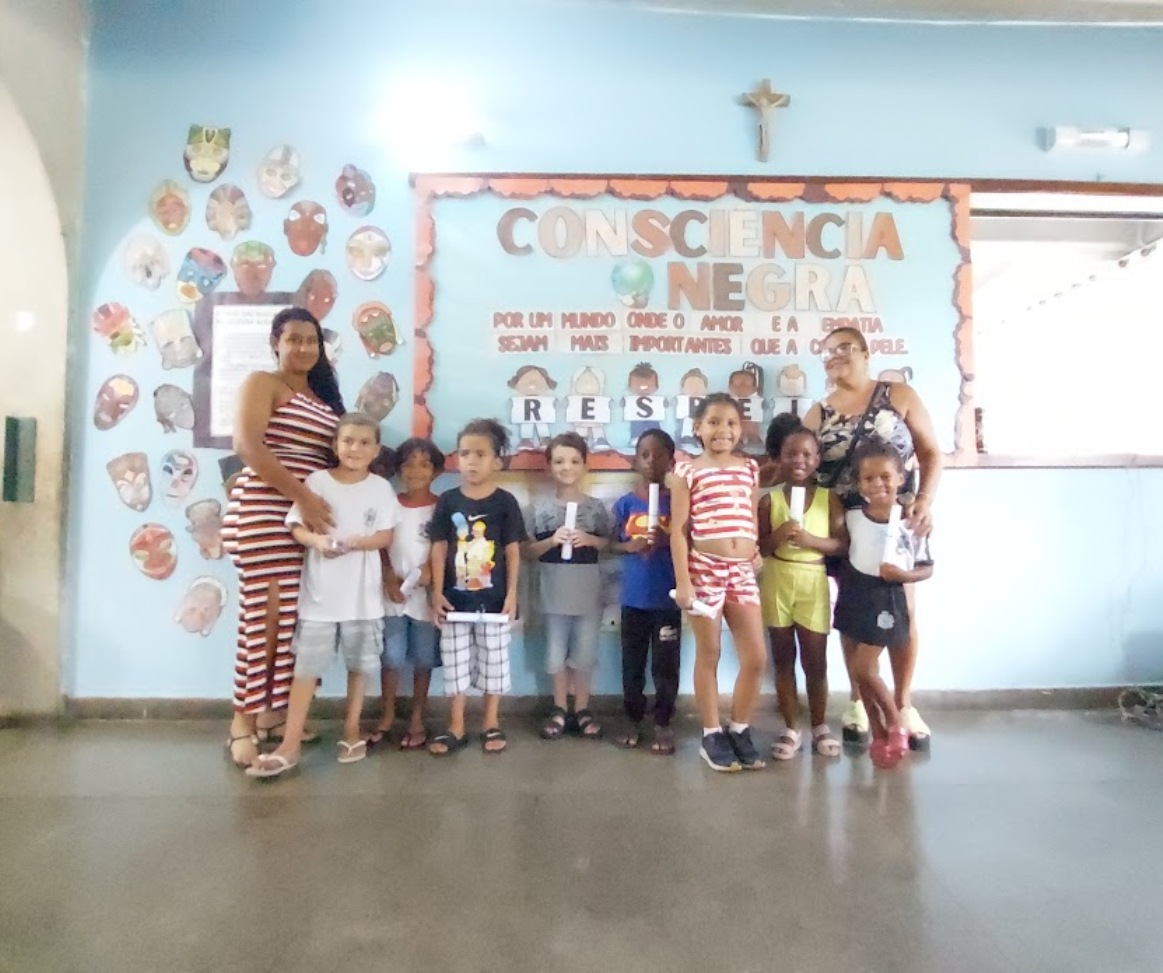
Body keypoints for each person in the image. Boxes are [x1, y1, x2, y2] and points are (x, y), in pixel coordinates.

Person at [803, 326, 942, 748]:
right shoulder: (819, 413)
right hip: (847, 526)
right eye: (827, 352)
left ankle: (903, 703)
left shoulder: (898, 395)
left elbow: (931, 452)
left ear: (866, 353)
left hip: (900, 520)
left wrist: (924, 501)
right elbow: (800, 466)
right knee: (854, 614)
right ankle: (859, 700)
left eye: (844, 348)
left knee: (903, 610)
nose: (835, 356)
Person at [221, 306, 345, 768]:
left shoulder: (322, 397)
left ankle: (272, 717)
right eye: (294, 339)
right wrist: (303, 497)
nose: (304, 348)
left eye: (312, 340)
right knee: (264, 622)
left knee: (293, 623)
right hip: (265, 513)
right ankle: (241, 723)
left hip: (302, 520)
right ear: (276, 343)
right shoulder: (263, 383)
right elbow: (247, 446)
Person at [246, 413, 400, 778]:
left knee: (359, 667)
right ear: (335, 445)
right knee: (305, 669)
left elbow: (386, 536)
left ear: (376, 450)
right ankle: (290, 744)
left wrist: (358, 542)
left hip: (363, 601)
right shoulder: (317, 481)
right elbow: (297, 527)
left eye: (364, 442)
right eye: (348, 441)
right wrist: (316, 541)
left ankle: (351, 729)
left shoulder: (381, 488)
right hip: (319, 600)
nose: (355, 448)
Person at [670, 393, 767, 772]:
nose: (722, 430)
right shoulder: (687, 471)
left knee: (755, 657)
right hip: (704, 570)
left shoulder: (749, 468)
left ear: (740, 429)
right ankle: (711, 734)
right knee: (709, 652)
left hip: (741, 571)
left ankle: (739, 728)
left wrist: (754, 548)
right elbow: (679, 531)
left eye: (730, 423)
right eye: (713, 422)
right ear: (698, 427)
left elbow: (750, 513)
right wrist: (684, 582)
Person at [833, 438, 933, 769]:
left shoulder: (909, 521)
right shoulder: (852, 516)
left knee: (864, 667)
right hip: (855, 593)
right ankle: (879, 736)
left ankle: (895, 721)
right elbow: (844, 549)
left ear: (901, 478)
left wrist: (902, 575)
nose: (878, 484)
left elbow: (927, 567)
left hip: (886, 597)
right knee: (860, 673)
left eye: (886, 477)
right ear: (859, 484)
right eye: (869, 478)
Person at [428, 419, 526, 755]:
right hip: (454, 602)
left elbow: (512, 551)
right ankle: (455, 725)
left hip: (495, 602)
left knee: (493, 663)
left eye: (480, 454)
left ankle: (490, 722)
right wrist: (436, 592)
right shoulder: (448, 501)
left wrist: (512, 594)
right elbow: (439, 547)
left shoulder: (505, 502)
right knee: (455, 664)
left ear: (497, 461)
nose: (471, 460)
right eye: (465, 453)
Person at [757, 418, 845, 760]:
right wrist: (778, 536)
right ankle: (791, 727)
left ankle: (820, 725)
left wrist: (811, 540)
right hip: (778, 580)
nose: (799, 460)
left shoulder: (828, 499)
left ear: (817, 459)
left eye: (807, 454)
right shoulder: (769, 502)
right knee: (783, 659)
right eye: (791, 454)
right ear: (779, 457)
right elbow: (761, 548)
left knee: (815, 660)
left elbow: (841, 544)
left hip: (812, 581)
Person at [523, 432, 612, 740]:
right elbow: (526, 550)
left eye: (574, 461)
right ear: (548, 466)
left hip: (588, 590)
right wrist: (551, 540)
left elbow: (609, 544)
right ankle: (559, 708)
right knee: (555, 652)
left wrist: (590, 540)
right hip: (552, 590)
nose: (567, 467)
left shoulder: (595, 508)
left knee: (585, 652)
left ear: (585, 465)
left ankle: (583, 708)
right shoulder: (538, 508)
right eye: (559, 461)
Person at [368, 437, 445, 752]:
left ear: (436, 471)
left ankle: (417, 717)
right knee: (392, 656)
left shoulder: (441, 506)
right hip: (392, 593)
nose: (416, 471)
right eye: (409, 464)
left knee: (424, 658)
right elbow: (380, 544)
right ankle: (387, 714)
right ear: (398, 470)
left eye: (424, 465)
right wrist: (388, 576)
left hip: (426, 596)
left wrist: (430, 571)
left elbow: (445, 546)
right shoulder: (390, 503)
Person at [610, 429, 681, 756]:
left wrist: (670, 540)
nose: (652, 461)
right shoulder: (626, 504)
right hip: (634, 600)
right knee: (632, 663)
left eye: (660, 455)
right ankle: (632, 717)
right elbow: (610, 544)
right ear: (635, 460)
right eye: (645, 455)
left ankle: (663, 720)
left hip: (667, 599)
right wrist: (630, 546)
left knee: (666, 665)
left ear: (672, 461)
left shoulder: (677, 502)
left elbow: (690, 542)